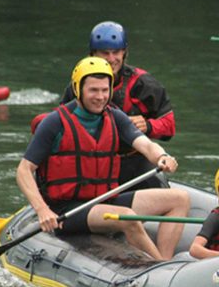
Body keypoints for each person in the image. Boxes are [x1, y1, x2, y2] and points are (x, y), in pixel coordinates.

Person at [17, 56, 190, 261]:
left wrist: (162, 156)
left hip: (104, 198)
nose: (100, 97)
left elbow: (145, 144)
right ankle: (161, 267)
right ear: (78, 89)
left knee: (180, 199)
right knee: (129, 218)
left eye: (104, 90)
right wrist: (42, 210)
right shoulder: (55, 123)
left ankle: (165, 259)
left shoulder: (115, 116)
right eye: (93, 90)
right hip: (68, 211)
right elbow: (24, 170)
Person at [60, 21, 176, 190]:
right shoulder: (77, 86)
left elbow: (169, 126)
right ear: (92, 55)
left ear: (124, 52)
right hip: (93, 162)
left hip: (134, 160)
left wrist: (148, 126)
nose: (111, 59)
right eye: (104, 53)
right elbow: (61, 126)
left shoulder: (144, 84)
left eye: (116, 52)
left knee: (163, 195)